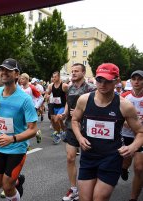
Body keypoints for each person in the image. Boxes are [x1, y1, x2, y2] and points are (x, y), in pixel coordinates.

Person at [71, 63, 143, 201]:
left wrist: (132, 147)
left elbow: (140, 132)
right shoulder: (84, 100)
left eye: (108, 81)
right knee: (85, 198)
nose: (102, 84)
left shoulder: (124, 105)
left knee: (99, 198)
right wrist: (80, 137)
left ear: (116, 80)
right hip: (89, 156)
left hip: (111, 158)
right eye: (99, 80)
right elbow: (75, 121)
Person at [0, 58, 38, 201]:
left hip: (16, 148)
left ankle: (13, 188)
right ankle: (17, 179)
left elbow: (33, 130)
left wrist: (12, 138)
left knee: (7, 187)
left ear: (16, 74)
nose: (3, 72)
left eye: (8, 70)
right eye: (2, 69)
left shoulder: (24, 99)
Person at [61, 63, 95, 201]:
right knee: (70, 157)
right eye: (72, 71)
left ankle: (90, 187)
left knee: (88, 159)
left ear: (83, 72)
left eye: (76, 71)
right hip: (71, 126)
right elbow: (68, 102)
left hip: (87, 128)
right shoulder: (69, 88)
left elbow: (97, 106)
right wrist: (64, 114)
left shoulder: (91, 88)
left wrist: (81, 113)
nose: (73, 73)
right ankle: (73, 189)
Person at [120, 70, 143, 201]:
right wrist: (127, 123)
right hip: (127, 134)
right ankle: (124, 168)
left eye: (139, 79)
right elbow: (118, 115)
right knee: (126, 159)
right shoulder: (125, 96)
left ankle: (133, 198)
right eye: (134, 79)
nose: (136, 81)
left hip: (141, 136)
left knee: (139, 168)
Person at [46, 71, 69, 144]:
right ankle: (64, 132)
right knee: (54, 120)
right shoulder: (50, 86)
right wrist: (47, 96)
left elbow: (69, 95)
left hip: (62, 106)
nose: (53, 78)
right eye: (53, 77)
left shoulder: (64, 86)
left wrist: (68, 106)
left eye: (55, 77)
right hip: (53, 105)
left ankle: (58, 135)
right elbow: (47, 93)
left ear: (59, 77)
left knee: (57, 119)